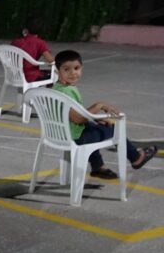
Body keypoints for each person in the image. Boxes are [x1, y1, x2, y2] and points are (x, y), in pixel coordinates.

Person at [52, 50, 156, 178]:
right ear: (57, 71)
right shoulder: (67, 92)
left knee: (95, 126)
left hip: (60, 133)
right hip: (75, 138)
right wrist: (99, 105)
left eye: (76, 68)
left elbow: (75, 113)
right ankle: (136, 158)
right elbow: (78, 119)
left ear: (81, 68)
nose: (73, 73)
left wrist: (95, 118)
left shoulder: (57, 88)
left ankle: (98, 167)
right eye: (66, 69)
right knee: (115, 130)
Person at [12, 16, 54, 82]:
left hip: (15, 76)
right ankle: (46, 92)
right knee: (56, 75)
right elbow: (51, 60)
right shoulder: (40, 43)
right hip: (31, 76)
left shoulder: (15, 42)